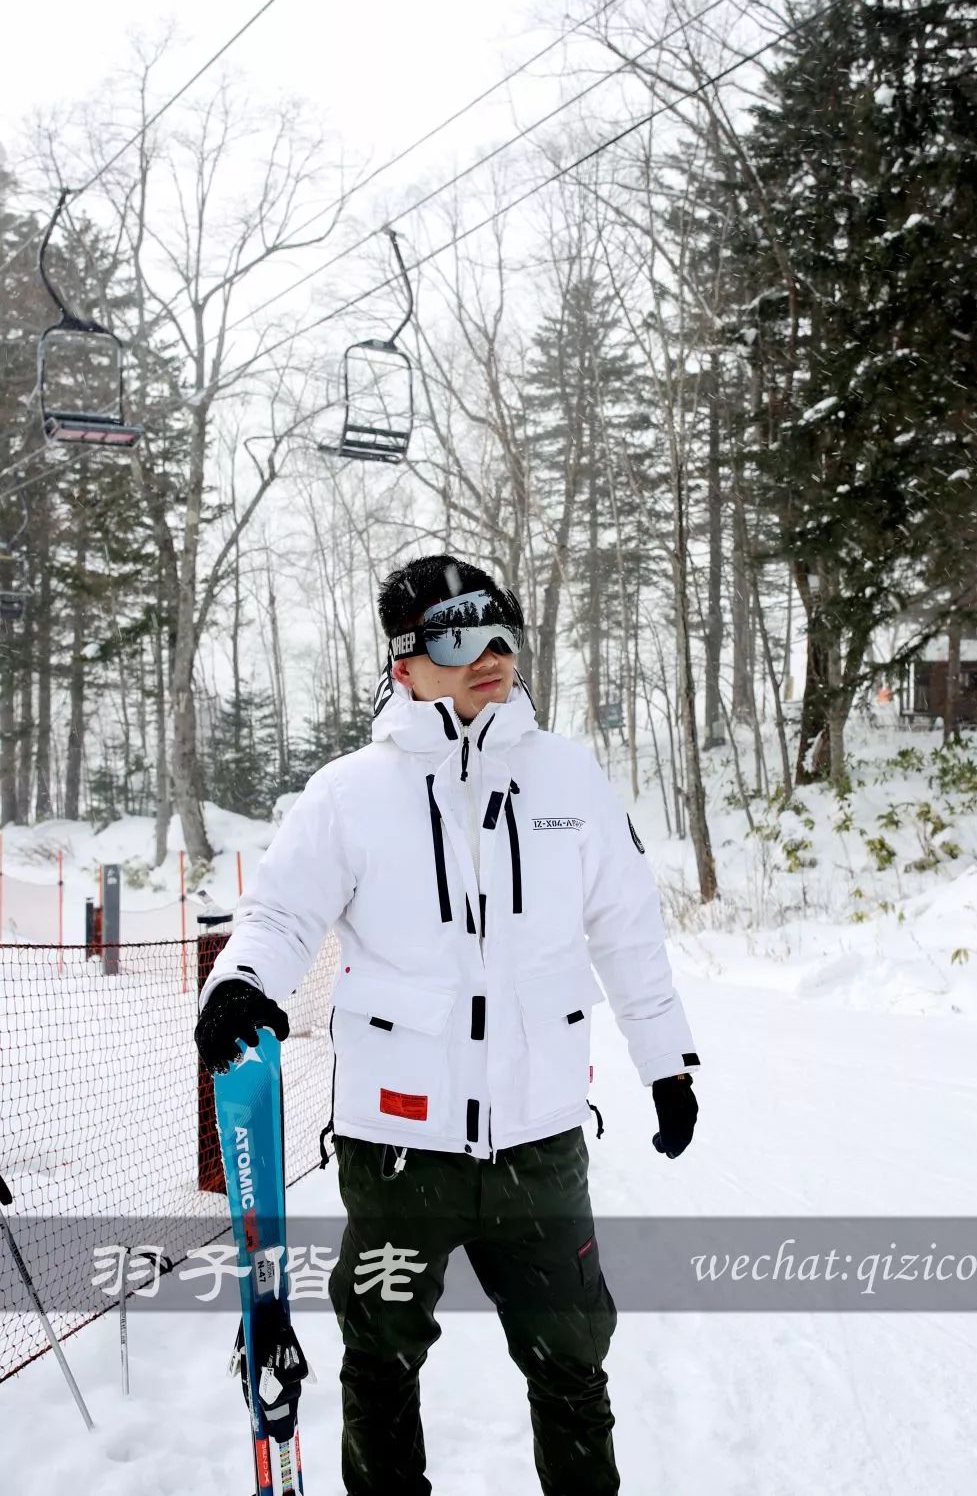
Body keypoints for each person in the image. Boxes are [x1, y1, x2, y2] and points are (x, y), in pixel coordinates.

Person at [195, 554, 700, 1496]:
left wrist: (667, 1062)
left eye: (503, 631)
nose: (491, 655)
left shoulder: (568, 780)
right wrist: (242, 985)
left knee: (572, 1362)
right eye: (460, 636)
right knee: (380, 1361)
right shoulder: (349, 793)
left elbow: (628, 931)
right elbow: (279, 917)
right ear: (406, 662)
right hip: (398, 1153)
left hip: (539, 1147)